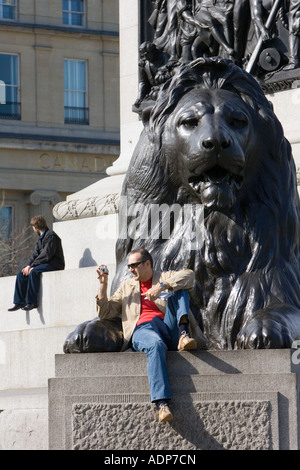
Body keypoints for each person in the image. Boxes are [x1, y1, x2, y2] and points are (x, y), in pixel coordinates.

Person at [96, 248, 207, 423]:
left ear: (147, 263)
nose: (131, 269)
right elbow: (105, 312)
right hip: (143, 330)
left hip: (167, 327)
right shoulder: (127, 287)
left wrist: (162, 286)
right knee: (155, 345)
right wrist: (103, 284)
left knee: (180, 288)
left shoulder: (164, 276)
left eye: (135, 265)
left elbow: (189, 275)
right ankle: (162, 404)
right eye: (129, 266)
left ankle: (183, 335)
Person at [8, 215, 65, 311]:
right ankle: (19, 302)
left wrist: (32, 266)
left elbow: (47, 254)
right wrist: (27, 266)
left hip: (55, 264)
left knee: (34, 272)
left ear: (36, 227)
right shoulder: (41, 238)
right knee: (21, 273)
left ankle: (32, 302)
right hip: (45, 263)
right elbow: (34, 254)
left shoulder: (51, 236)